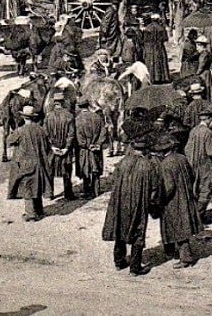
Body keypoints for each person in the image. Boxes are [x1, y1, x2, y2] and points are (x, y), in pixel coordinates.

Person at [102, 139, 162, 276]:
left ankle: (119, 261)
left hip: (121, 201)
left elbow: (114, 180)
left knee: (120, 228)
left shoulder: (123, 162)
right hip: (138, 203)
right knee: (138, 231)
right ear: (146, 150)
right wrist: (153, 206)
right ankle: (135, 268)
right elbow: (154, 189)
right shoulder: (149, 165)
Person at [153, 135, 200, 268]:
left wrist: (160, 200)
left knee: (178, 228)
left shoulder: (166, 164)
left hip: (173, 201)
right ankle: (174, 252)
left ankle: (186, 258)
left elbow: (169, 187)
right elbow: (192, 175)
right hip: (185, 197)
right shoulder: (182, 158)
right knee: (182, 225)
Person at [6, 106, 53, 221]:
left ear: (23, 117)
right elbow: (47, 146)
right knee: (37, 185)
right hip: (40, 162)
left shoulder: (20, 131)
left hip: (26, 163)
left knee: (28, 187)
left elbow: (9, 141)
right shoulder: (41, 130)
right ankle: (39, 210)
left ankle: (31, 214)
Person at [185, 110, 212, 221]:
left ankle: (194, 215)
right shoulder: (208, 133)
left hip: (192, 164)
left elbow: (187, 149)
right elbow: (211, 152)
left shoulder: (193, 130)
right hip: (205, 166)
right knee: (205, 191)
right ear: (209, 119)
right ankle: (198, 217)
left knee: (195, 191)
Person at [74, 97, 109, 198]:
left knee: (85, 169)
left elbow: (78, 136)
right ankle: (96, 190)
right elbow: (104, 132)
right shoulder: (97, 117)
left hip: (84, 150)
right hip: (96, 149)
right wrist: (98, 144)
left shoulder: (77, 120)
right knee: (96, 169)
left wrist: (86, 145)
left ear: (79, 107)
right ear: (88, 105)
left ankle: (87, 191)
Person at [45, 94, 77, 200]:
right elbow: (71, 134)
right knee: (67, 169)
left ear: (54, 103)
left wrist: (52, 146)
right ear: (63, 102)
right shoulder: (69, 116)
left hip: (52, 149)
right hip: (65, 149)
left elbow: (46, 134)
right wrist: (66, 148)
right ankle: (68, 193)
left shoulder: (48, 116)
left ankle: (49, 193)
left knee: (49, 169)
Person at [142, 13, 171, 83]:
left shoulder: (147, 28)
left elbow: (144, 40)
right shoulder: (161, 28)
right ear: (158, 20)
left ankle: (151, 78)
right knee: (160, 62)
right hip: (159, 47)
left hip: (149, 48)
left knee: (150, 62)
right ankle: (161, 78)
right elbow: (165, 39)